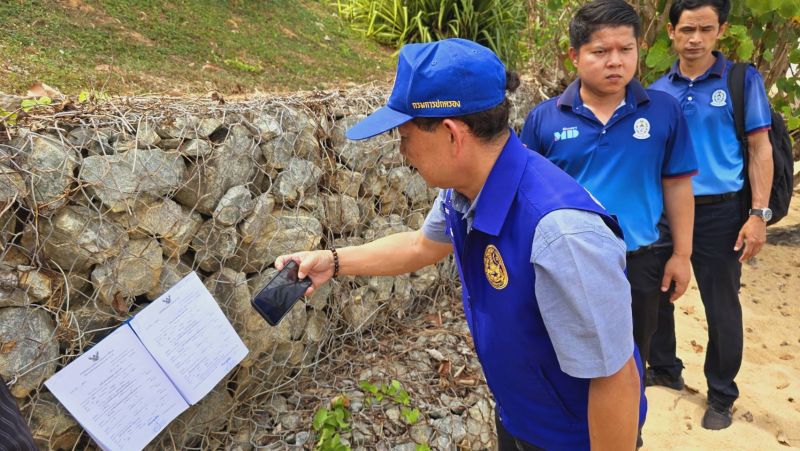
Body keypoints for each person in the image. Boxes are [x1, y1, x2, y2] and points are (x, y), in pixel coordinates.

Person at [275, 38, 645, 450]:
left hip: (574, 438)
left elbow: (615, 376)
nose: (402, 152)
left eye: (404, 134)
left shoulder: (561, 234)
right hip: (521, 417)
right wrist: (334, 261)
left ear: (452, 135)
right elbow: (420, 246)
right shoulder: (465, 191)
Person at [520, 0, 697, 388]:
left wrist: (682, 256)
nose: (614, 61)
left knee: (630, 364)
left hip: (639, 263)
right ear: (575, 56)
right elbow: (524, 197)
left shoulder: (663, 112)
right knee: (564, 360)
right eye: (600, 51)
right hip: (566, 265)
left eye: (625, 50)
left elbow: (678, 185)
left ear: (639, 50)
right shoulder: (544, 119)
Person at [647, 0, 773, 430]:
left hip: (722, 211)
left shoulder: (741, 80)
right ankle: (664, 366)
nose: (695, 39)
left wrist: (758, 214)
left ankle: (721, 394)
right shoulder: (656, 90)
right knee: (658, 291)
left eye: (705, 29)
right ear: (671, 32)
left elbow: (760, 148)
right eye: (686, 29)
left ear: (720, 29)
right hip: (666, 211)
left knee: (721, 305)